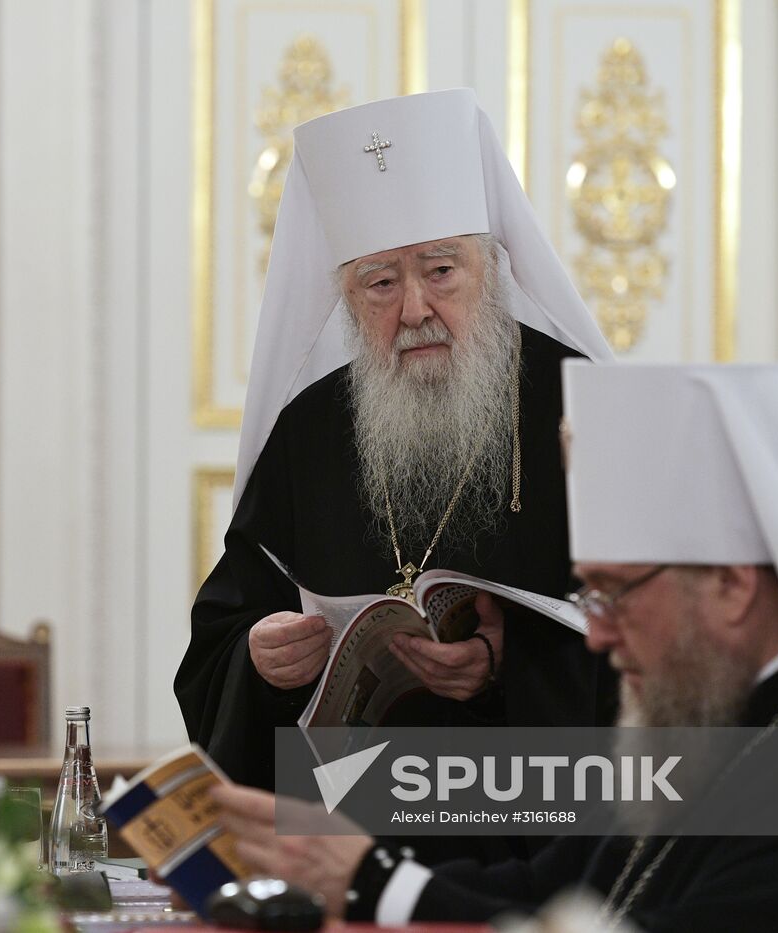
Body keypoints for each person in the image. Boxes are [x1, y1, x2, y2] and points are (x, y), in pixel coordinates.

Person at [213, 362, 778, 931]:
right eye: (590, 595)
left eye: (615, 592)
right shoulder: (710, 727)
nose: (600, 630)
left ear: (733, 587)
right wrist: (346, 865)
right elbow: (542, 888)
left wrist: (374, 883)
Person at [176, 89, 618, 793]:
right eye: (379, 283)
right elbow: (220, 642)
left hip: (534, 820)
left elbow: (666, 638)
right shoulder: (310, 431)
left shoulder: (588, 408)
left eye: (441, 272)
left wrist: (509, 666)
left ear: (492, 270)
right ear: (346, 301)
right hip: (348, 823)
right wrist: (258, 664)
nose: (414, 309)